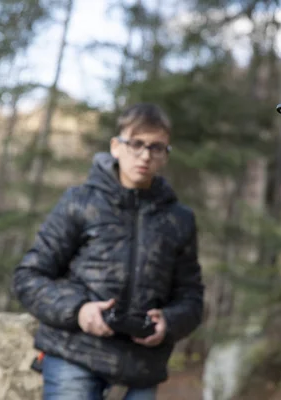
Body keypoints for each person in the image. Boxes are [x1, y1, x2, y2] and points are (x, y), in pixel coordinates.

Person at [12, 103, 204, 400]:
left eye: (156, 147)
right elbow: (29, 277)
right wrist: (79, 311)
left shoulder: (179, 219)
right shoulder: (80, 202)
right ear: (116, 146)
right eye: (136, 144)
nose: (144, 155)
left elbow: (191, 298)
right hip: (73, 355)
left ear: (165, 155)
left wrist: (169, 322)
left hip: (141, 370)